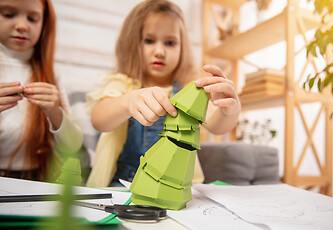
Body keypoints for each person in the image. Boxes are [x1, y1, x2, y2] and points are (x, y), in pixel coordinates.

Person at [86, 0, 241, 188]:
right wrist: (127, 102)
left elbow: (217, 126)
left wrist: (228, 110)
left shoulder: (189, 89)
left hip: (177, 185)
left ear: (182, 48)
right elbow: (99, 120)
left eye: (170, 43)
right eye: (149, 40)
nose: (159, 51)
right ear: (132, 43)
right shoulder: (122, 85)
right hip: (127, 183)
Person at [0, 0, 83, 182]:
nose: (22, 26)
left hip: (36, 180)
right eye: (8, 14)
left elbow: (73, 144)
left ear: (44, 23)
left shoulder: (51, 75)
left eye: (32, 18)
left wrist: (55, 111)